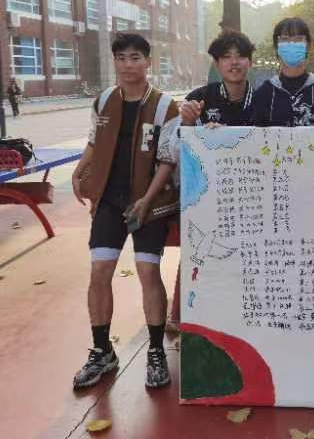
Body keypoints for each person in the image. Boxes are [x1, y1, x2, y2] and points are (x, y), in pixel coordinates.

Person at [70, 33, 180, 390]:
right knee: (99, 271)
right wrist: (79, 170)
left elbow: (167, 158)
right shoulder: (103, 100)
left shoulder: (166, 106)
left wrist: (146, 200)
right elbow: (93, 141)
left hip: (150, 201)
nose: (128, 64)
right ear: (114, 62)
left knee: (148, 272)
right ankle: (102, 351)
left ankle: (155, 351)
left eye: (135, 57)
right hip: (110, 200)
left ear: (148, 62)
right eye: (121, 58)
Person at [253, 17, 314, 127]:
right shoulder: (265, 92)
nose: (291, 44)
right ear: (276, 47)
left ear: (308, 45)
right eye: (285, 39)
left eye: (298, 39)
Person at [180, 29, 256, 127]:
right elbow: (179, 134)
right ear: (216, 64)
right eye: (227, 56)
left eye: (240, 56)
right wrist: (187, 123)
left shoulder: (265, 101)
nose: (234, 62)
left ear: (250, 62)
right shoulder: (198, 99)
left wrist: (223, 133)